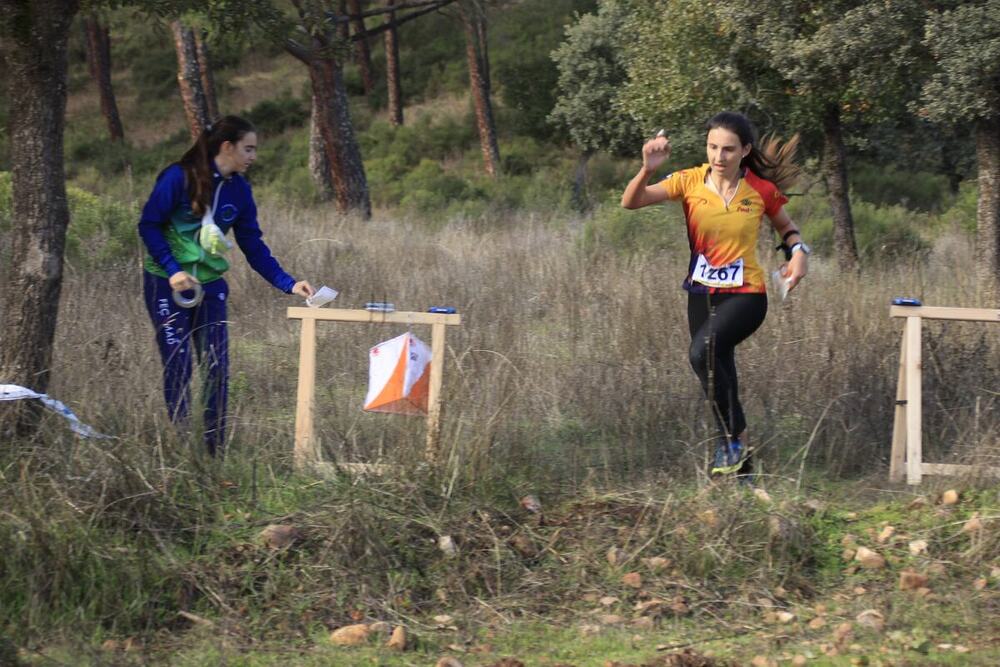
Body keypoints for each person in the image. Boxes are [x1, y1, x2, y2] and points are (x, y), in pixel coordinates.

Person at [621, 111, 809, 478]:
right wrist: (647, 168)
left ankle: (732, 444)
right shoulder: (689, 181)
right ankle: (743, 466)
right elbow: (631, 201)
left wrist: (799, 254)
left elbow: (788, 229)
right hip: (702, 294)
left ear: (744, 151)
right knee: (718, 372)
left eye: (727, 150)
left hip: (747, 295)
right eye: (712, 147)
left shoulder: (760, 191)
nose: (718, 157)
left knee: (700, 352)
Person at [138, 115, 314, 455]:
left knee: (217, 367)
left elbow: (252, 245)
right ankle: (181, 448)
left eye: (255, 150)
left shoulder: (240, 191)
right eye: (248, 149)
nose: (253, 157)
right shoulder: (178, 177)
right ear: (226, 147)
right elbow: (148, 225)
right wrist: (173, 269)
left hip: (210, 287)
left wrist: (289, 284)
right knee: (179, 363)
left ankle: (213, 452)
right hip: (166, 285)